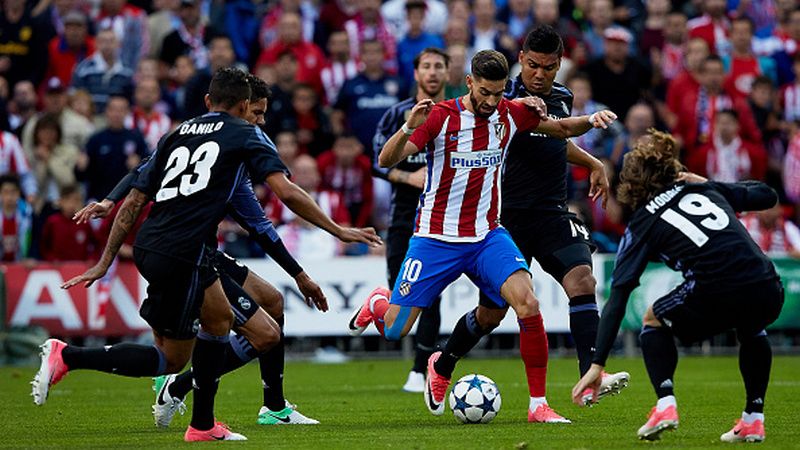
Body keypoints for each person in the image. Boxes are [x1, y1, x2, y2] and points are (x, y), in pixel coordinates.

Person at [34, 68, 379, 442]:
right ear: (244, 106)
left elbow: (136, 192)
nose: (261, 121)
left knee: (262, 306)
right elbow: (281, 200)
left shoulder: (178, 135)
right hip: (186, 252)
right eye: (258, 113)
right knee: (212, 344)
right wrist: (337, 231)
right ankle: (181, 406)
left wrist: (105, 249)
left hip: (164, 246)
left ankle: (249, 411)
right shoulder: (245, 139)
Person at [348, 49, 617, 422]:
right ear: (470, 82)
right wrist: (409, 127)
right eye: (484, 93)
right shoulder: (439, 117)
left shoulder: (509, 112)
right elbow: (385, 160)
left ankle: (537, 405)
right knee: (394, 330)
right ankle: (380, 302)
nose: (491, 101)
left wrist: (592, 119)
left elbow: (561, 130)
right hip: (436, 239)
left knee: (528, 304)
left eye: (498, 93)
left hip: (487, 236)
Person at [571, 130, 784, 443]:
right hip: (768, 286)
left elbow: (619, 295)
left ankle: (665, 405)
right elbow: (767, 195)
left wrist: (597, 364)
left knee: (652, 318)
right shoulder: (706, 190)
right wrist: (707, 183)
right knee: (752, 327)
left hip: (718, 289)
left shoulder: (642, 221)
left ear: (630, 185)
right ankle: (753, 419)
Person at [482, 25, 629, 408]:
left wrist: (591, 159)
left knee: (583, 280)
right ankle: (443, 360)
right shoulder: (503, 96)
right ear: (521, 60)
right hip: (505, 217)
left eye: (548, 67)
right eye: (533, 65)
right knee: (492, 313)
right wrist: (588, 135)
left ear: (559, 65)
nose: (540, 74)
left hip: (550, 212)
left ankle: (591, 376)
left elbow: (554, 141)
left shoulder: (562, 96)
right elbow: (554, 131)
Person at [371, 47, 449, 393]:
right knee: (401, 292)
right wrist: (409, 177)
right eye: (426, 66)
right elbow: (377, 160)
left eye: (438, 67)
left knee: (431, 294)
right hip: (404, 216)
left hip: (442, 217)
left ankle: (421, 368)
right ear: (416, 73)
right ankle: (376, 302)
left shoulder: (455, 113)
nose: (432, 73)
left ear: (448, 74)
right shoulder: (397, 114)